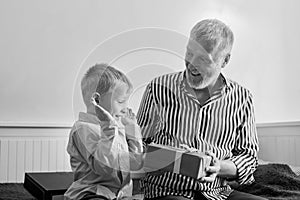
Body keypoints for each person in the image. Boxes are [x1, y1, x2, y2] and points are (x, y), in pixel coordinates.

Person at [137, 19, 266, 200]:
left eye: (204, 59)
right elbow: (136, 147)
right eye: (189, 53)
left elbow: (248, 158)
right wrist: (174, 158)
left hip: (218, 193)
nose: (192, 64)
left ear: (225, 60)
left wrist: (218, 167)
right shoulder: (158, 88)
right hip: (166, 191)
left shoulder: (242, 98)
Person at [64, 63, 143, 200]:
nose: (125, 108)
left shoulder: (117, 128)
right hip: (91, 193)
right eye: (121, 101)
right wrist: (108, 128)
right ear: (97, 100)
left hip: (119, 195)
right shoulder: (83, 129)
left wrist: (132, 131)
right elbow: (104, 168)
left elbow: (135, 164)